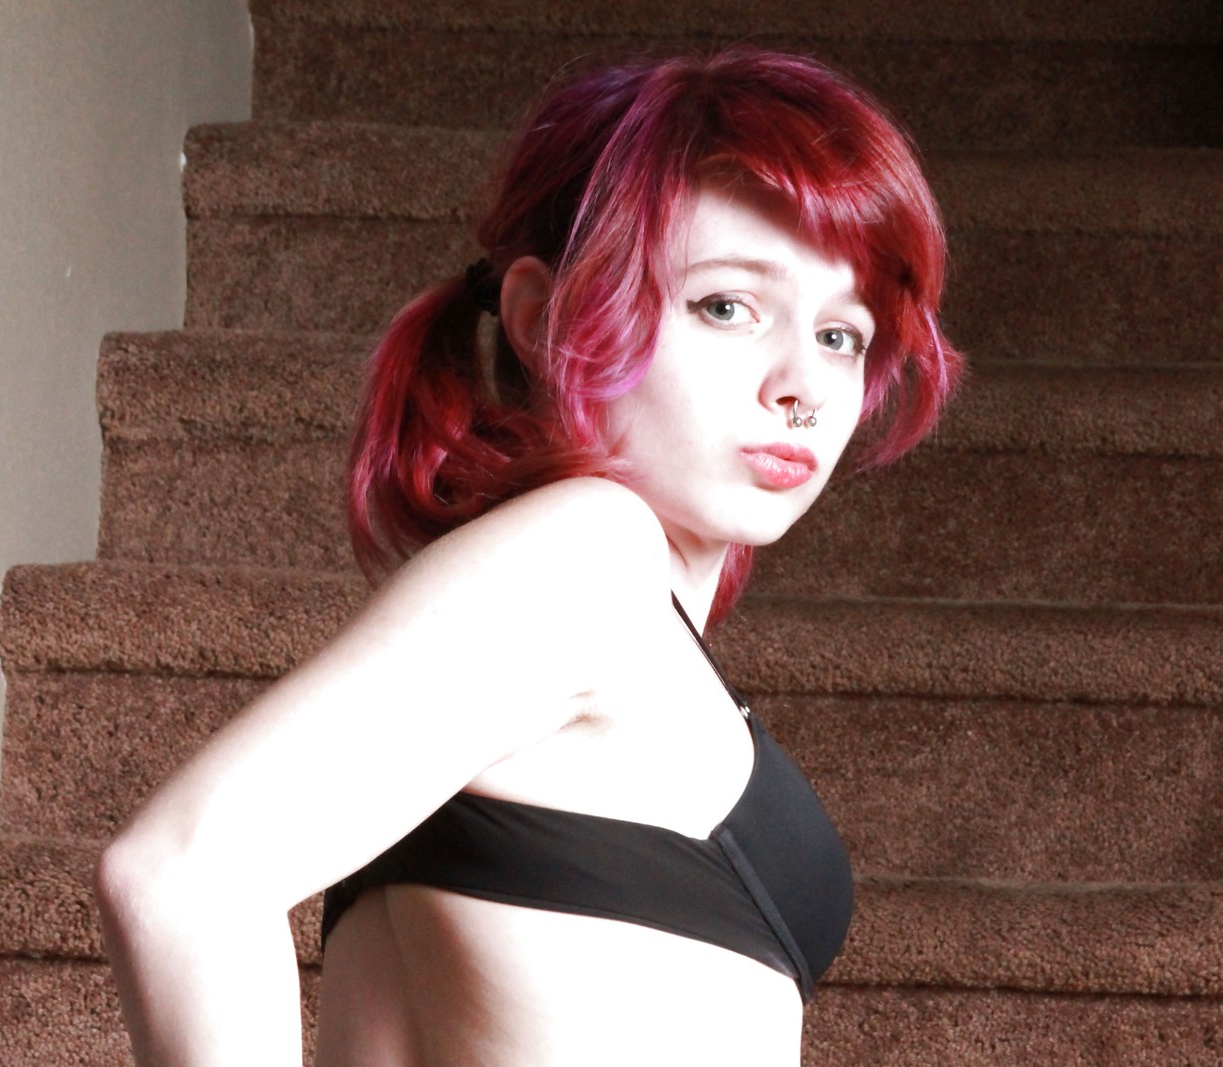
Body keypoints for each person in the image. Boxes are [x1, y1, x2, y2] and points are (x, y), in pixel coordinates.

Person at [95, 45, 960, 1067]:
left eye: (842, 335)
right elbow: (182, 873)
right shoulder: (588, 555)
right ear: (546, 319)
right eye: (727, 305)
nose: (801, 387)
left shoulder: (600, 596)